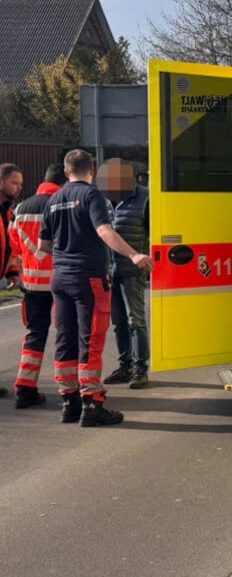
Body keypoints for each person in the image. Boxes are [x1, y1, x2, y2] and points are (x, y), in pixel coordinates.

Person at [39, 149, 153, 426]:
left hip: (60, 278)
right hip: (87, 278)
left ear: (66, 172)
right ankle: (92, 404)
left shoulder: (53, 200)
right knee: (90, 340)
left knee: (65, 340)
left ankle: (69, 401)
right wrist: (134, 255)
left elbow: (43, 247)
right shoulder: (91, 196)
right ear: (91, 168)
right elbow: (104, 231)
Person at [8, 163, 67, 409]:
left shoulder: (21, 207)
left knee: (34, 336)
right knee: (66, 337)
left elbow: (13, 246)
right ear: (62, 183)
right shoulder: (64, 204)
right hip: (61, 282)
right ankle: (69, 391)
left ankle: (24, 389)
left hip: (32, 284)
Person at [97, 158, 151, 389]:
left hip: (133, 270)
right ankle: (124, 366)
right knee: (118, 322)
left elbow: (153, 234)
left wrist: (143, 257)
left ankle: (140, 368)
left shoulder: (145, 198)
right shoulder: (105, 201)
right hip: (112, 271)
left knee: (135, 320)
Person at [1, 162, 24, 399]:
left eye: (20, 184)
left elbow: (8, 246)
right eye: (14, 183)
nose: (18, 188)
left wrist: (11, 272)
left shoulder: (7, 209)